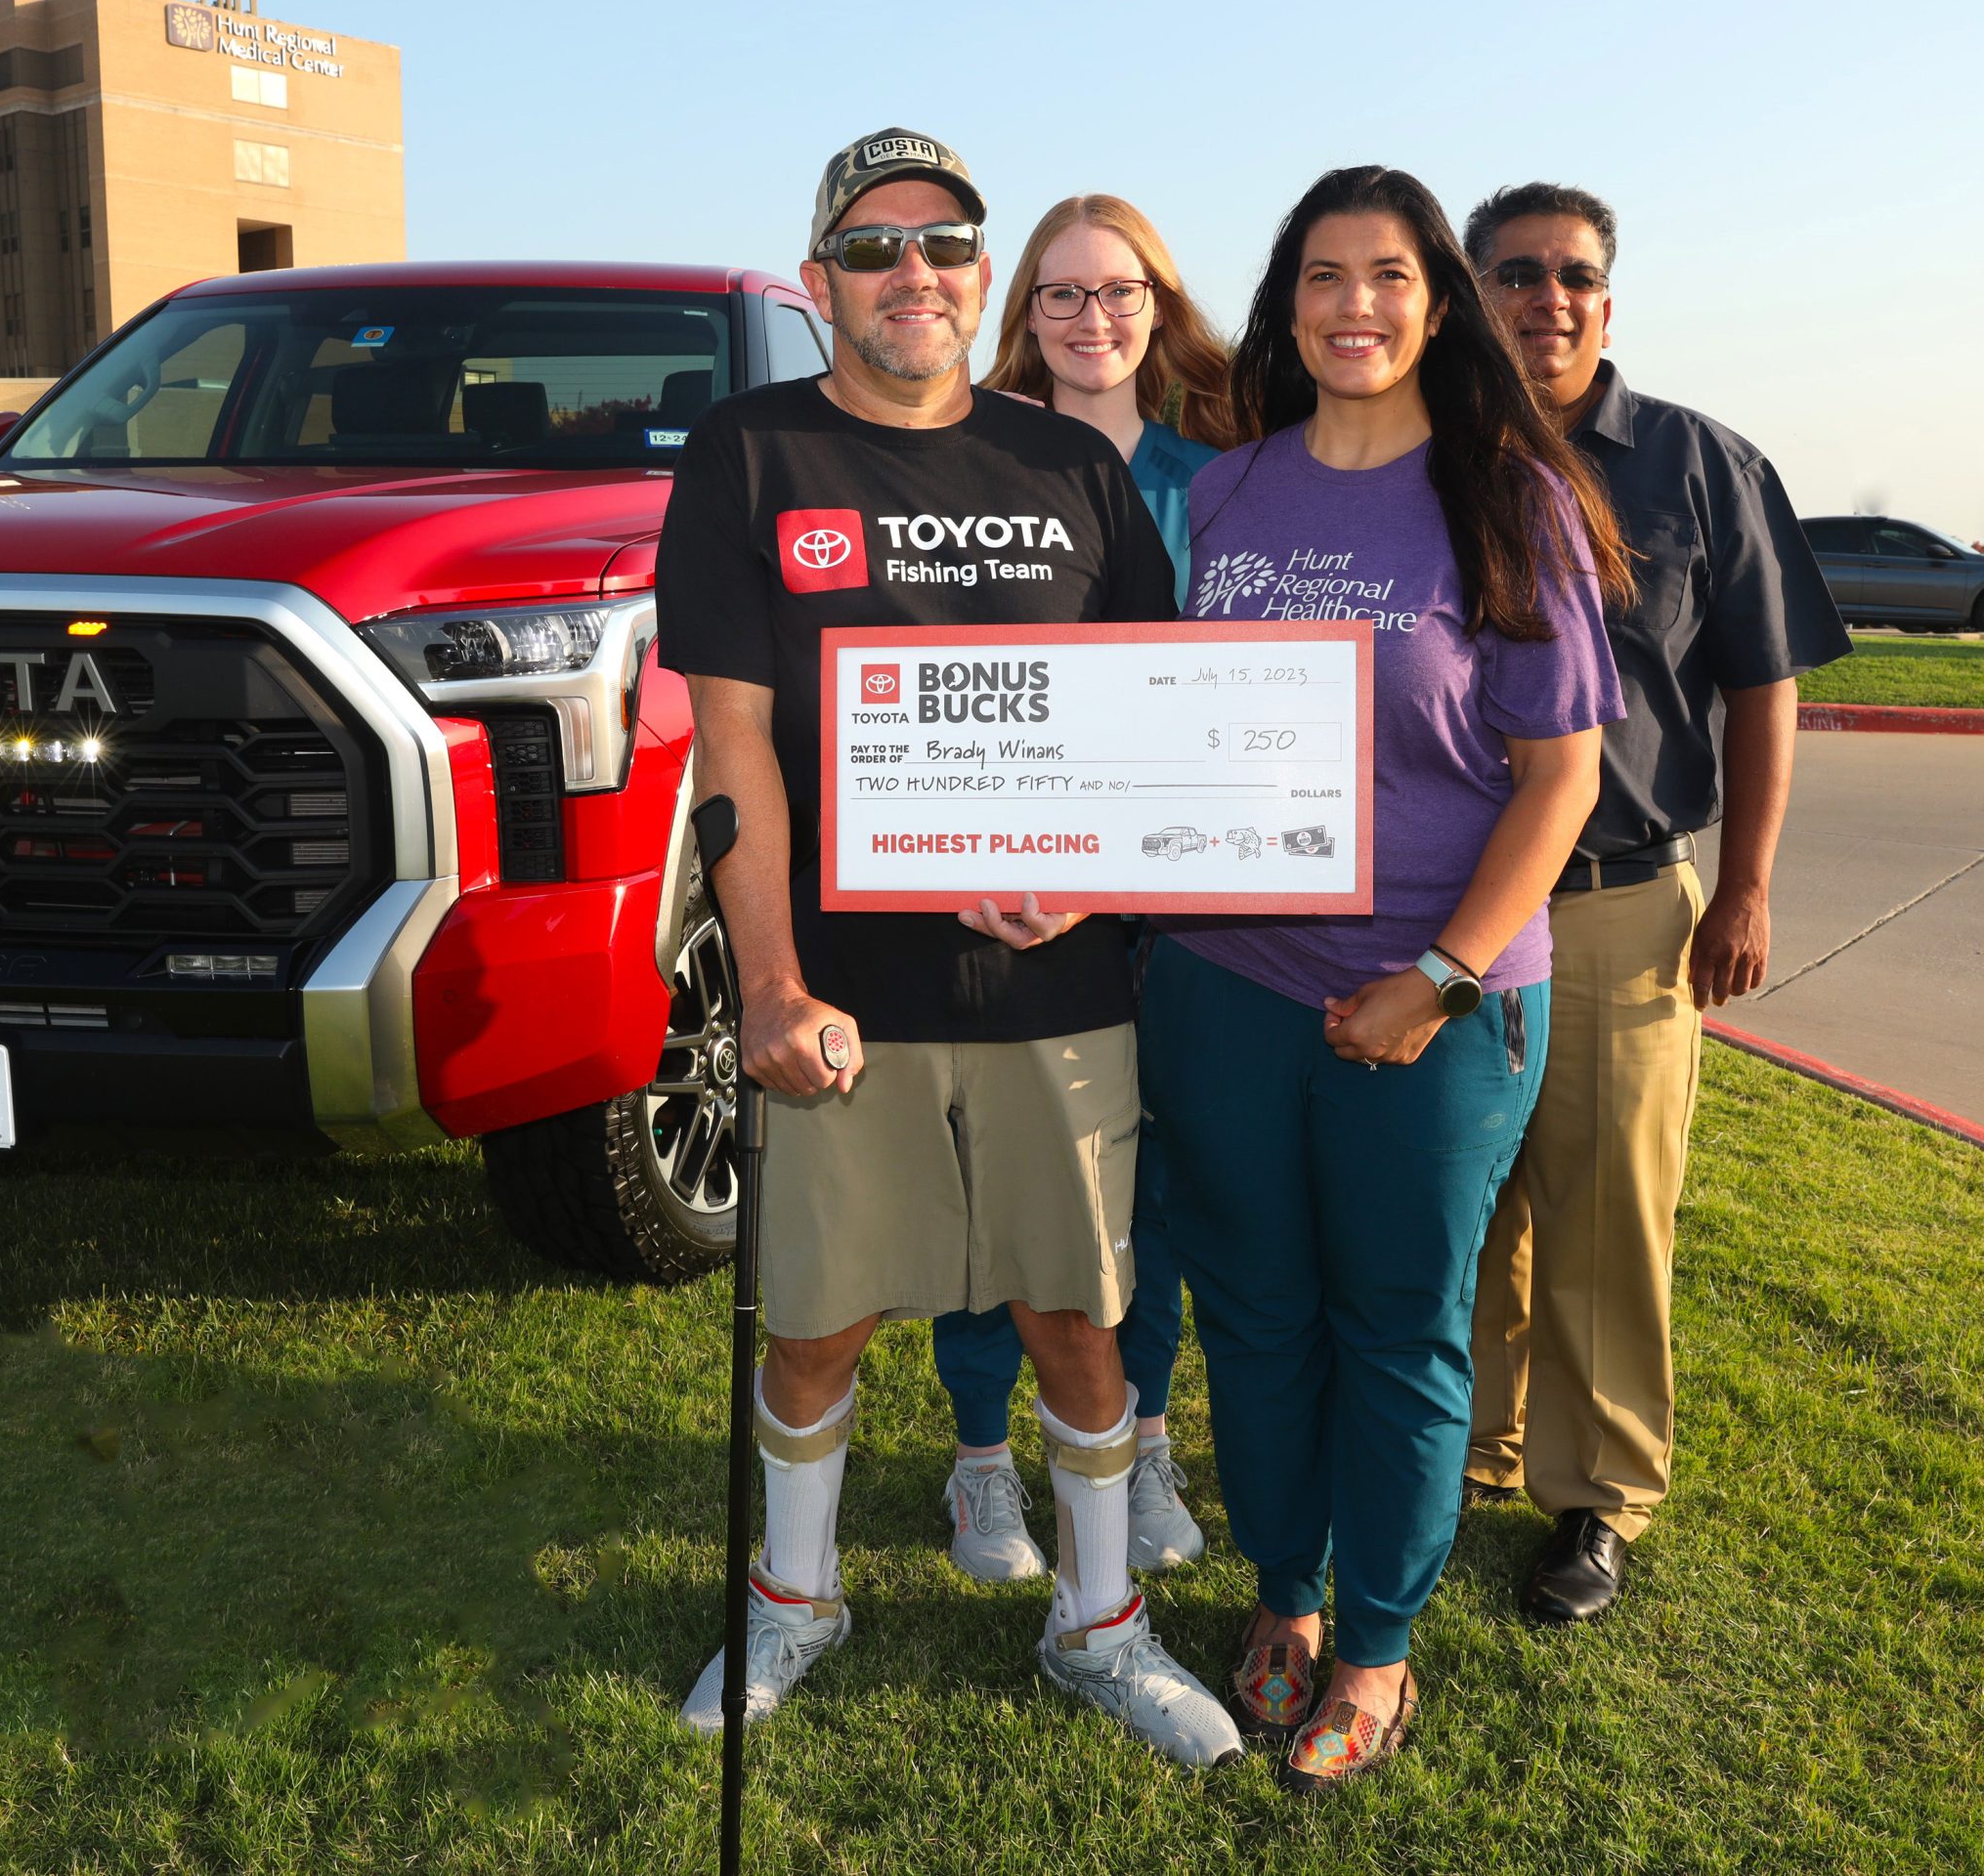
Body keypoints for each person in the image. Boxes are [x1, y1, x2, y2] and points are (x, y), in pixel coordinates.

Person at [655, 129, 1240, 1769]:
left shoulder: (1072, 469)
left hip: (1059, 994)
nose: (911, 272)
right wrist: (771, 983)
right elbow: (735, 747)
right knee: (816, 1324)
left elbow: (1151, 720)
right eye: (873, 246)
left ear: (982, 275)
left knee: (1079, 1318)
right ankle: (794, 1596)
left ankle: (1100, 1625)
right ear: (821, 278)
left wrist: (1094, 877)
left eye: (944, 243)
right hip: (848, 992)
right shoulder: (750, 453)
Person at [1145, 165, 1630, 1791]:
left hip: (1438, 998)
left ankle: (1375, 1640)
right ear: (1286, 303)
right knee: (1254, 1312)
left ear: (1437, 303)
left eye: (1390, 275)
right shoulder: (1226, 493)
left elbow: (1559, 778)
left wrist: (1437, 975)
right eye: (1324, 275)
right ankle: (1285, 1590)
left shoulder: (1511, 497)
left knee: (1400, 1323)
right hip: (1224, 980)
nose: (1355, 305)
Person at [1459, 183, 1851, 1623]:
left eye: (1572, 275)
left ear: (1607, 301)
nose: (1545, 299)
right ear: (1472, 296)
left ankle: (1598, 1494)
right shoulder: (1424, 453)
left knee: (1607, 1215)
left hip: (1622, 904)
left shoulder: (1697, 463)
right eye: (1515, 274)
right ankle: (1473, 1447)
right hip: (1446, 910)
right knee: (1461, 1201)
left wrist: (1743, 884)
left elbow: (1763, 684)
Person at [926, 194, 1242, 1586]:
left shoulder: (1220, 477)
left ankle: (1145, 1436)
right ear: (1024, 312)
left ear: (1159, 306)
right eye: (1061, 293)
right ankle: (980, 1458)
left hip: (1165, 898)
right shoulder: (966, 464)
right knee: (994, 1178)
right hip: (1007, 888)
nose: (1092, 318)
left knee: (1145, 1183)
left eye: (1120, 291)